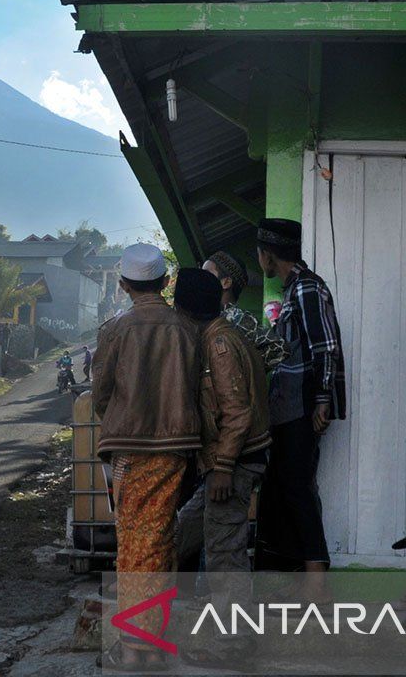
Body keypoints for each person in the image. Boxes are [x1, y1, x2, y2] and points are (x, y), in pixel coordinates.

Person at [93, 243, 202, 671]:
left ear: (123, 285)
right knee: (157, 539)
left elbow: (101, 393)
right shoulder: (186, 329)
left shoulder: (116, 329)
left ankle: (137, 646)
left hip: (132, 451)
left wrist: (122, 421)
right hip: (176, 450)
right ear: (165, 282)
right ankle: (148, 643)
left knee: (135, 543)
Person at [173, 268, 270, 667]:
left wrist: (224, 468)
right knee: (184, 531)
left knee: (225, 553)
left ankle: (234, 645)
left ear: (185, 308)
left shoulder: (220, 345)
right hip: (227, 460)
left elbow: (237, 413)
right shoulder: (215, 336)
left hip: (235, 462)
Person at [253, 218, 346, 603]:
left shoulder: (307, 287)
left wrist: (322, 399)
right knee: (282, 487)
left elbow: (325, 346)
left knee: (297, 488)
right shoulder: (293, 290)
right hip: (288, 407)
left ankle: (315, 583)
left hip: (303, 404)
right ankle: (296, 575)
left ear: (268, 255)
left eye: (259, 253)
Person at [202, 251, 287, 370]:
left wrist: (244, 371)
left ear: (226, 282)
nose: (200, 280)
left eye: (206, 275)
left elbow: (279, 348)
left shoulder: (236, 318)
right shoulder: (214, 317)